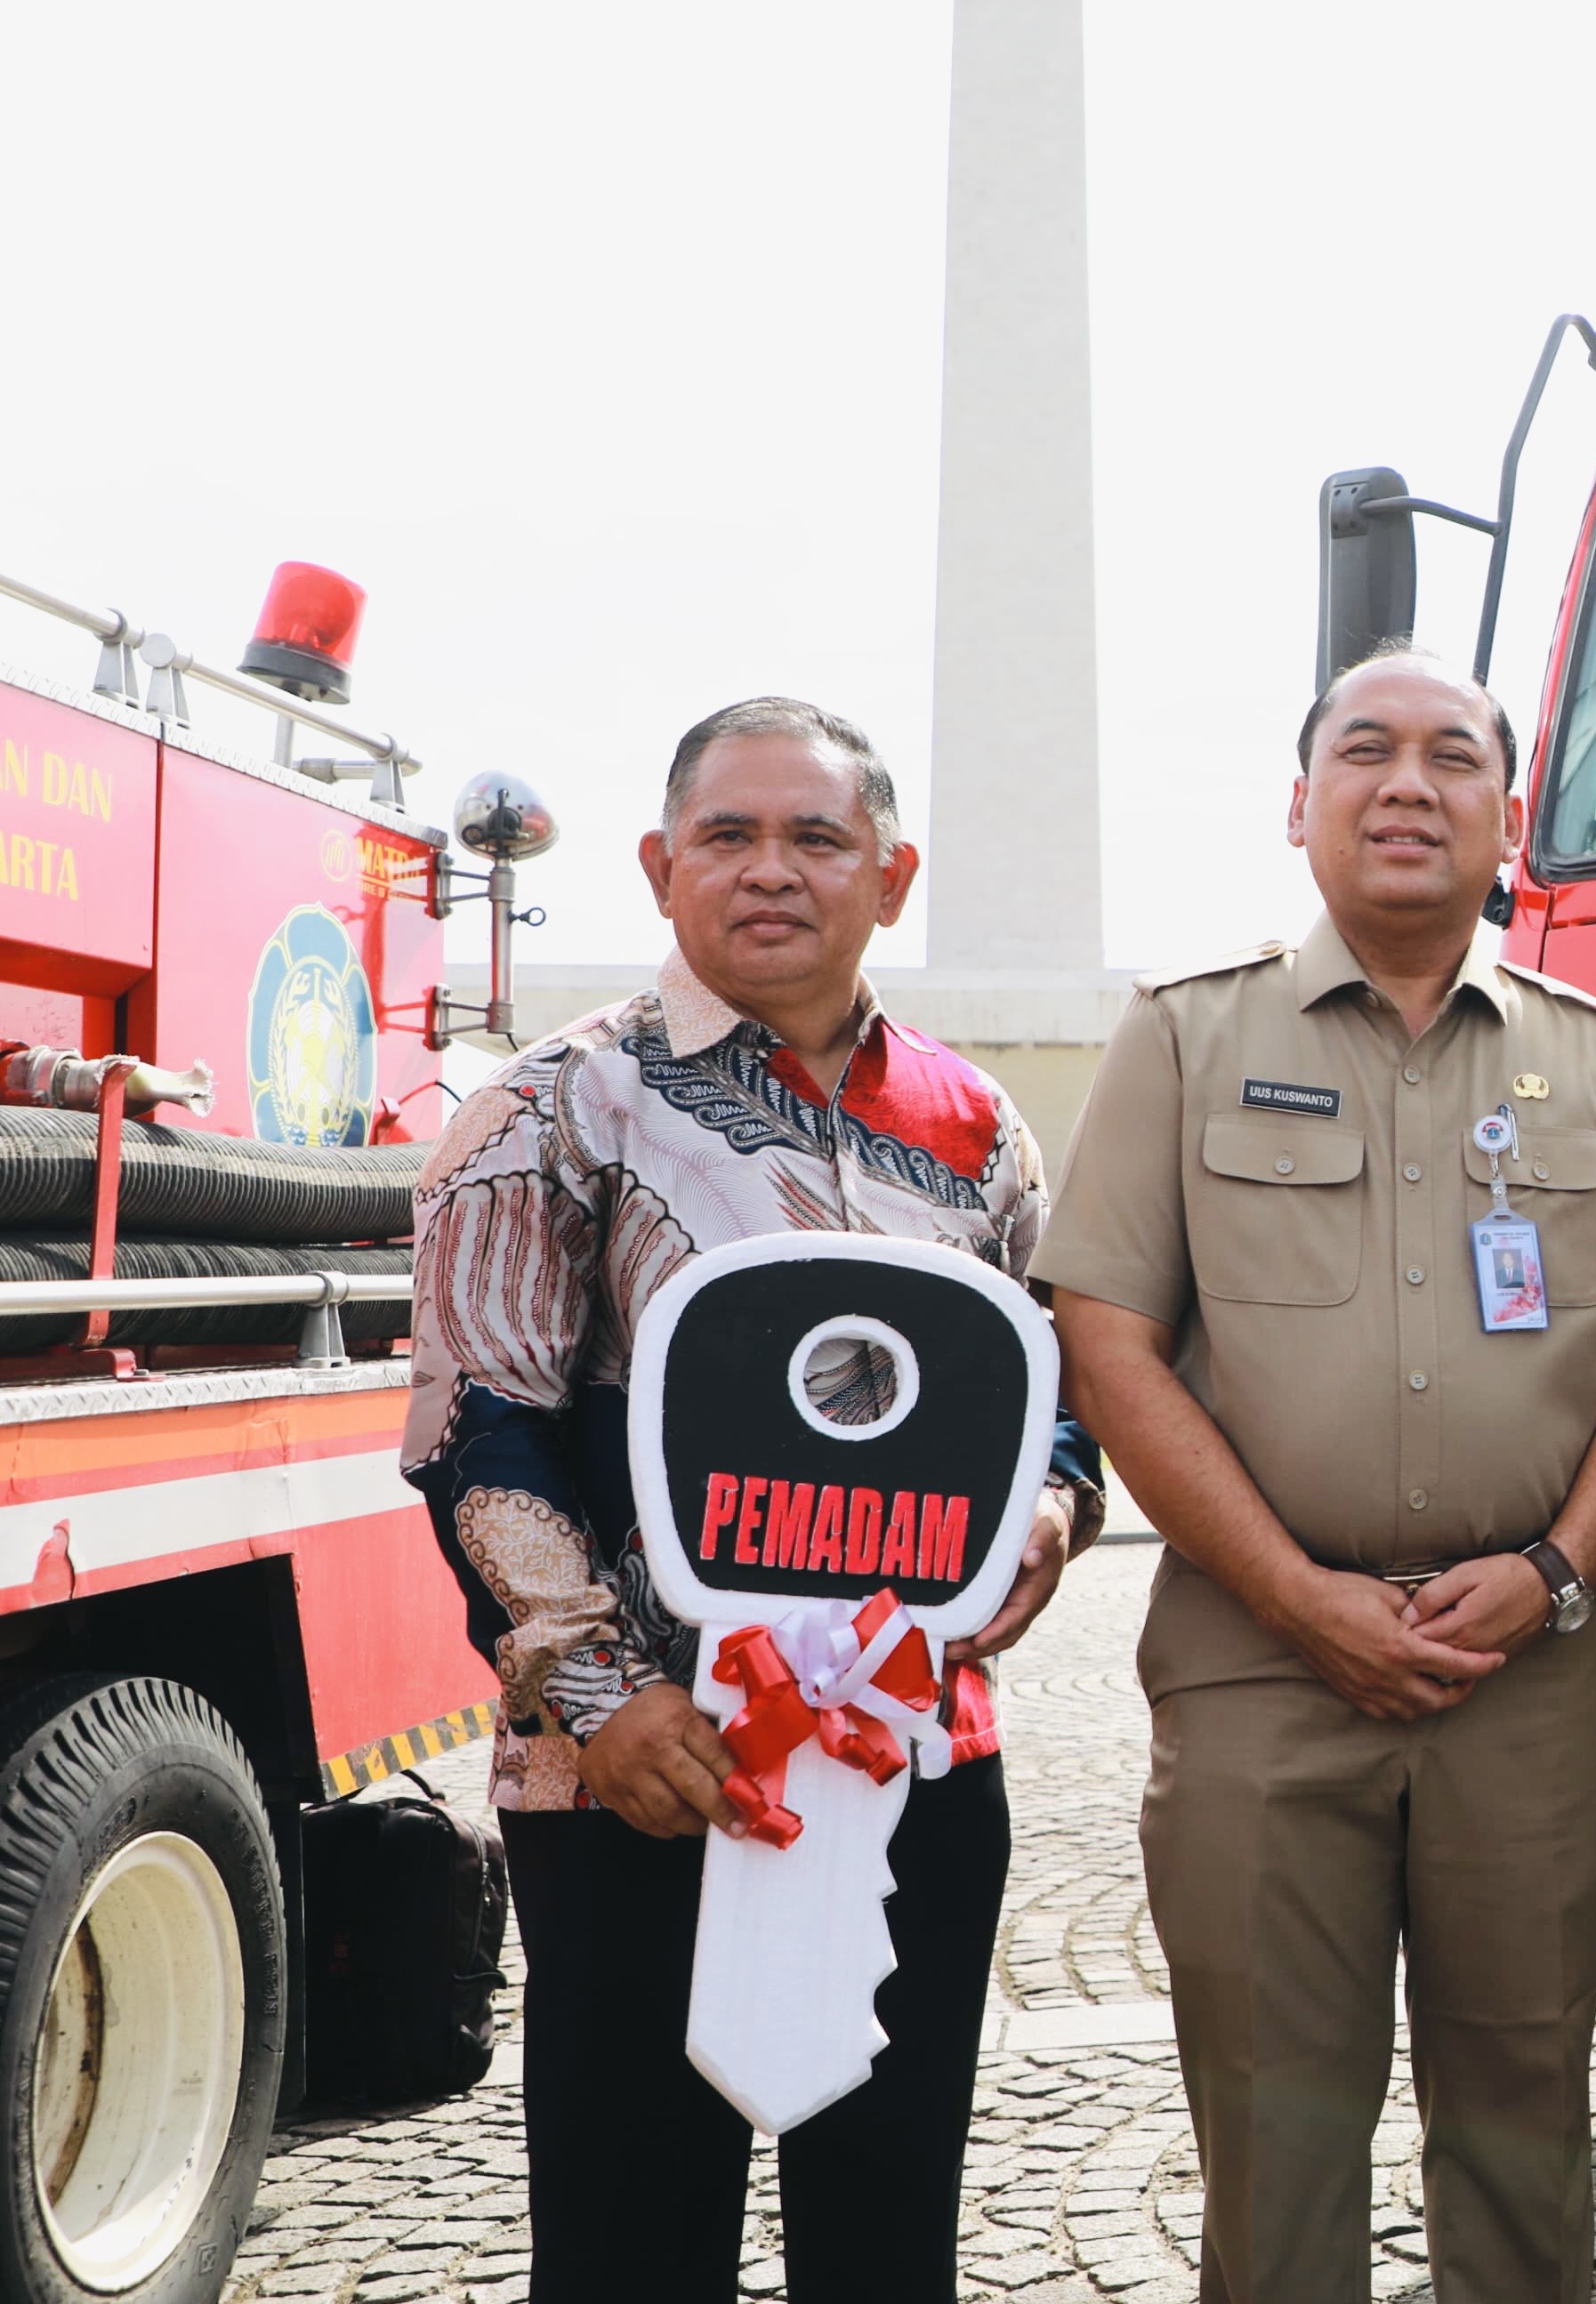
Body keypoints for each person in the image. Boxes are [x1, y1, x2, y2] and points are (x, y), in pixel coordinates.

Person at [404, 697, 1103, 2304]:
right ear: (660, 867)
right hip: (636, 1770)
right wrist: (610, 1699)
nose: (770, 870)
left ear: (893, 874)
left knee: (887, 2225)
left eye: (816, 836)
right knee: (634, 2241)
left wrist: (1053, 1518)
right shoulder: (548, 1109)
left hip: (912, 1757)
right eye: (728, 834)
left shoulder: (981, 1128)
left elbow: (1053, 1398)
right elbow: (476, 1431)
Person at [1033, 647, 1596, 2302]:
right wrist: (1297, 1594)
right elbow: (1107, 1340)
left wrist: (1556, 1568)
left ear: (1509, 815)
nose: (1410, 783)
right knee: (1273, 2139)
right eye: (1367, 750)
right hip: (1263, 1664)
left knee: (1527, 2119)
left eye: (1453, 757)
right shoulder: (1185, 1036)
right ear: (1300, 802)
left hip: (1529, 1670)